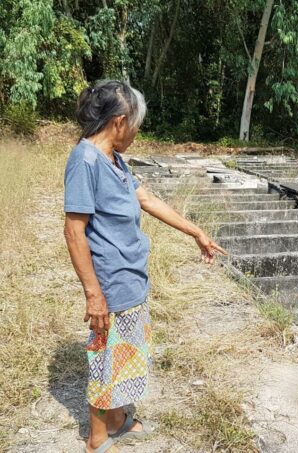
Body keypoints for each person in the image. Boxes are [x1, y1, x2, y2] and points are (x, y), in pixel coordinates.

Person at [63, 80, 227, 453]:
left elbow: (147, 199)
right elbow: (74, 231)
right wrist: (94, 295)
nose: (137, 132)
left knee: (126, 352)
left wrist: (195, 231)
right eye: (135, 124)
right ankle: (97, 437)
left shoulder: (114, 159)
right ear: (119, 122)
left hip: (131, 277)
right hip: (110, 282)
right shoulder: (85, 160)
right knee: (106, 357)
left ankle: (118, 419)